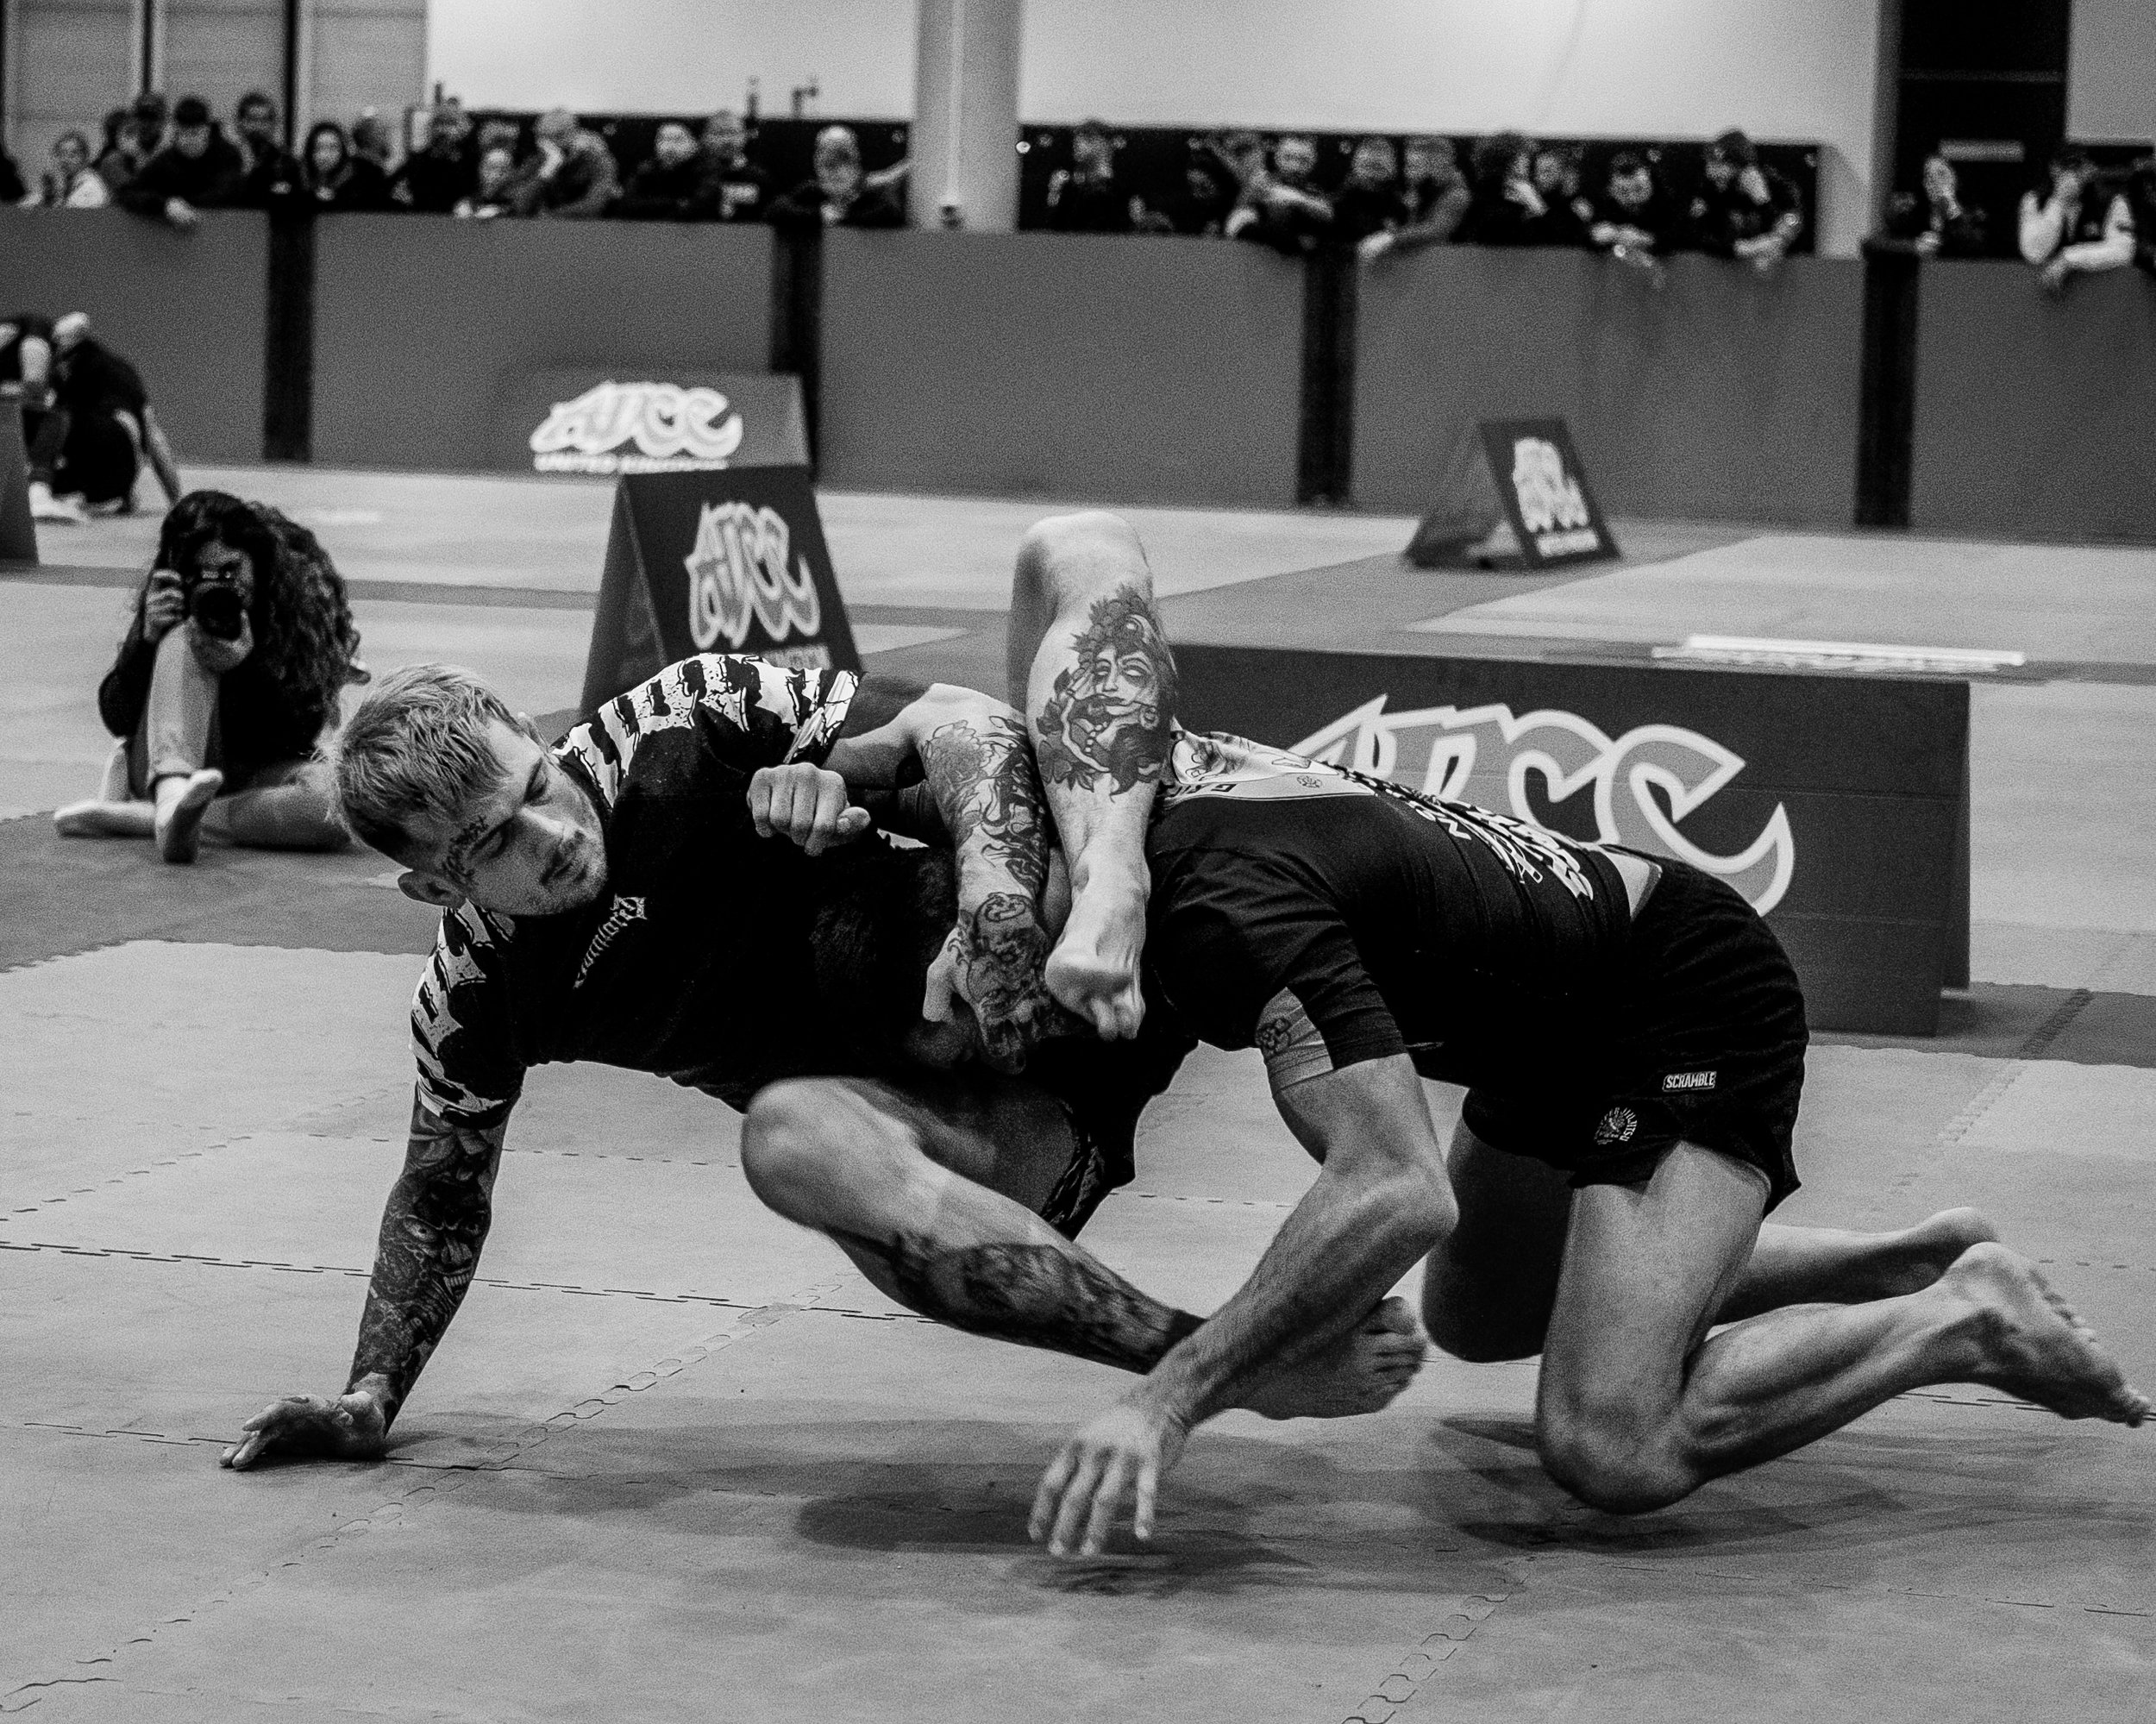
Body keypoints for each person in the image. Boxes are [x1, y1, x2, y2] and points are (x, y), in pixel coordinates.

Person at [718, 519, 2150, 1558]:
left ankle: (1959, 1317)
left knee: (1609, 1441)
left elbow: (1398, 1185)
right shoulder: (1088, 789)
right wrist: (837, 773)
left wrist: (1170, 1396)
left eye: (990, 993)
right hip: (1550, 1026)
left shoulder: (1218, 911)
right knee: (1478, 1317)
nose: (1004, 1031)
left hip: (1682, 994)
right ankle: (1903, 1253)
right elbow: (1007, 654)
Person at [214, 519, 1171, 1470]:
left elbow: (959, 719)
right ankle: (1199, 1357)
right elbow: (442, 1197)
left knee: (1075, 545)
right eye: (494, 842)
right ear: (435, 888)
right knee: (797, 1142)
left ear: (537, 737)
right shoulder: (474, 993)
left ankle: (1107, 881)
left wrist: (993, 907)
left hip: (1074, 954)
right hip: (998, 1133)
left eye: (538, 784)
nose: (552, 834)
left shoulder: (679, 718)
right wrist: (370, 1394)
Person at [54, 492, 360, 862]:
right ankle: (170, 803)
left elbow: (302, 732)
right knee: (182, 639)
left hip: (255, 774)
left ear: (257, 564)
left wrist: (246, 668)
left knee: (334, 805)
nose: (220, 585)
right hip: (164, 770)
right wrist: (145, 645)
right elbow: (118, 719)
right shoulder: (176, 605)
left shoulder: (291, 608)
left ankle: (153, 820)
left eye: (231, 571)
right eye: (202, 574)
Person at [22, 313, 182, 524]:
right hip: (116, 484)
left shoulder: (78, 368)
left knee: (48, 416)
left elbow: (58, 421)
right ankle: (44, 491)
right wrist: (176, 502)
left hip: (114, 454)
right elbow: (154, 438)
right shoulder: (123, 372)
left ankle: (39, 493)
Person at [116, 95, 244, 229]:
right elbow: (128, 193)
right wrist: (165, 205)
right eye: (181, 133)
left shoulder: (228, 156)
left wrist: (183, 204)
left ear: (207, 131)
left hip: (224, 227)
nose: (186, 141)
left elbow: (226, 193)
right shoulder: (167, 160)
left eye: (194, 133)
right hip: (173, 231)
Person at [2019, 148, 2135, 295]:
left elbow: (2123, 252)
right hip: (2045, 298)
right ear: (2053, 168)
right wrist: (2058, 201)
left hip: (2100, 295)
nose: (2071, 174)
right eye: (2065, 167)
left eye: (2077, 167)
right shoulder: (2035, 200)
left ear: (2089, 169)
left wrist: (2068, 259)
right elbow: (2034, 254)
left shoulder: (2112, 202)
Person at [1690, 130, 1805, 268]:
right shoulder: (1710, 189)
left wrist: (1764, 203)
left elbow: (1793, 231)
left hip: (1769, 274)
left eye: (1720, 165)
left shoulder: (1777, 186)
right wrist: (1739, 249)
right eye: (1710, 164)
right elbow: (1697, 234)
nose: (1711, 172)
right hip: (1721, 271)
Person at [768, 125, 905, 230]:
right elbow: (775, 210)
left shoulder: (867, 192)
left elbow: (892, 215)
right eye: (827, 165)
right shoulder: (812, 191)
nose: (834, 172)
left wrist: (844, 216)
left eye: (843, 159)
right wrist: (819, 215)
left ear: (855, 165)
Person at [1360, 135, 1470, 261]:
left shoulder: (1457, 194)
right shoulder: (1424, 189)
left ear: (1435, 166)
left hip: (1451, 263)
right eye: (1407, 166)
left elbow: (1435, 230)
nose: (1407, 172)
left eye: (1414, 166)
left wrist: (1391, 238)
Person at [1224, 134, 1333, 255]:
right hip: (1255, 254)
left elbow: (1327, 215)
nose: (1294, 167)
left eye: (1303, 160)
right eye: (1288, 158)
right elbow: (1233, 225)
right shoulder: (1263, 183)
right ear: (1277, 158)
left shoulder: (1314, 191)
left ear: (1313, 163)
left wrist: (1295, 198)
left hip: (1297, 258)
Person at [508, 108, 620, 219]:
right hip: (543, 225)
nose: (547, 148)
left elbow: (594, 205)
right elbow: (518, 206)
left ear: (574, 137)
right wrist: (547, 172)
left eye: (556, 139)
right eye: (544, 142)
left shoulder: (599, 161)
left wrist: (549, 217)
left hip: (587, 227)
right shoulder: (541, 160)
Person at [1588, 150, 1683, 276]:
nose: (1632, 198)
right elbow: (1583, 235)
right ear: (1611, 189)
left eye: (1639, 189)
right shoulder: (1605, 204)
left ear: (1650, 182)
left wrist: (1645, 239)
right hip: (1616, 277)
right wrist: (1595, 235)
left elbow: (1682, 236)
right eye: (1623, 192)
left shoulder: (1667, 201)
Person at [1882, 153, 1989, 258]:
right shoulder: (1914, 210)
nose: (1934, 181)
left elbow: (1978, 247)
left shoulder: (1975, 212)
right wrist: (1914, 246)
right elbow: (1880, 242)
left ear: (1955, 178)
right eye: (1928, 176)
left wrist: (1951, 205)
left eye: (1941, 174)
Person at [1044, 119, 1136, 235]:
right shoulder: (1074, 187)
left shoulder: (1117, 191)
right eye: (1079, 138)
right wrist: (1054, 193)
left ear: (1102, 143)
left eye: (1087, 138)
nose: (1076, 143)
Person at [615, 119, 711, 222]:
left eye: (678, 140)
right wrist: (673, 203)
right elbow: (627, 204)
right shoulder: (646, 169)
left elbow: (698, 207)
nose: (669, 148)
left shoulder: (706, 169)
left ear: (695, 144)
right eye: (662, 139)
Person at [1458, 132, 1544, 245]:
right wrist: (1534, 207)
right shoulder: (1490, 193)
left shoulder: (1483, 189)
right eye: (1525, 157)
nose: (1528, 163)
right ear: (1511, 161)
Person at [392, 105, 477, 213]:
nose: (443, 130)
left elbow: (477, 193)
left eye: (450, 124)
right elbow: (393, 188)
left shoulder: (470, 162)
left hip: (457, 219)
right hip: (422, 217)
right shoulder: (417, 160)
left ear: (463, 129)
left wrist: (470, 202)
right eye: (438, 123)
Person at [1330, 137, 1408, 250]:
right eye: (1369, 147)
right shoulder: (1338, 201)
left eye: (1382, 149)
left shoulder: (1401, 204)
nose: (1375, 155)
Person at [229, 91, 304, 210]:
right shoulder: (225, 158)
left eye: (265, 120)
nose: (259, 126)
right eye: (252, 119)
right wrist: (245, 169)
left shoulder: (285, 162)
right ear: (240, 122)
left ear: (273, 124)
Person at [695, 110, 772, 223]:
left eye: (734, 133)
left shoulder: (759, 176)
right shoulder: (693, 172)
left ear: (745, 136)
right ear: (705, 138)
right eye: (719, 134)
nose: (727, 140)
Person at [1521, 141, 1592, 247]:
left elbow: (1566, 237)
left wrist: (1541, 210)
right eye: (1540, 171)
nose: (1542, 176)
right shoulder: (1522, 199)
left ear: (1561, 174)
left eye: (1549, 171)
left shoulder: (1572, 204)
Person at [22, 130, 110, 209]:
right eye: (61, 154)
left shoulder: (90, 186)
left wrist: (57, 197)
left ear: (85, 158)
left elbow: (69, 217)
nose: (65, 160)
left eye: (72, 155)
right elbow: (27, 204)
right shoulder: (61, 181)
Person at [454, 145, 518, 220]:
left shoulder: (517, 201)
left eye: (503, 170)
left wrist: (500, 212)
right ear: (481, 169)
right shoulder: (470, 201)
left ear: (511, 173)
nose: (496, 175)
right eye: (491, 168)